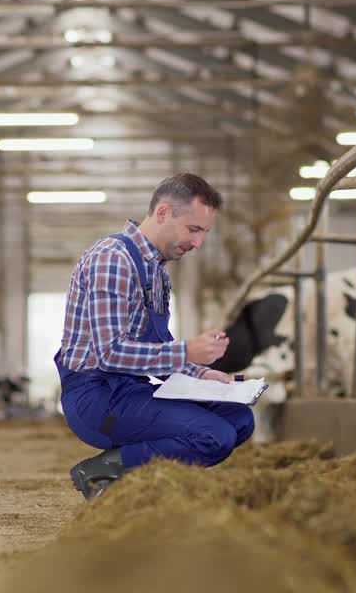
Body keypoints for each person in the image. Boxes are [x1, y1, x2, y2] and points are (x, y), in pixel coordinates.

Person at [55, 173, 254, 499]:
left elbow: (155, 349)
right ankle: (103, 471)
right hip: (96, 396)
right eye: (194, 229)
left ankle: (139, 478)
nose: (199, 243)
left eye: (205, 232)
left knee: (239, 418)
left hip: (131, 390)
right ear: (163, 213)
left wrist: (202, 374)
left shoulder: (156, 273)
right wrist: (188, 352)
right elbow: (110, 353)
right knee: (214, 436)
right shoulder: (112, 259)